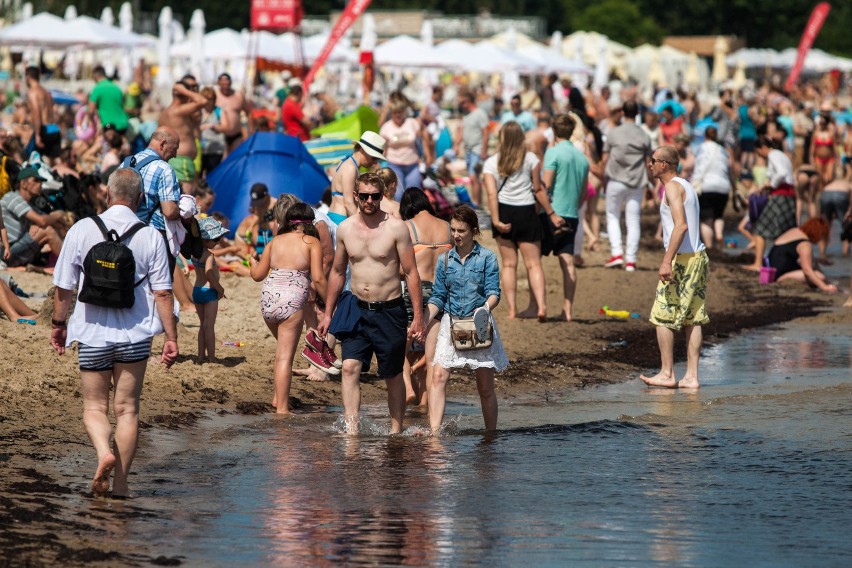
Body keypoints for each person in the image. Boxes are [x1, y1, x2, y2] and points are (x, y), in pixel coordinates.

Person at [50, 168, 178, 498]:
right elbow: (163, 293)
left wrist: (59, 325)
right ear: (141, 200)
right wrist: (171, 338)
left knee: (94, 408)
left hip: (92, 332)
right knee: (127, 410)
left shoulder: (82, 229)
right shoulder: (150, 235)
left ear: (106, 195)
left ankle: (102, 452)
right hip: (135, 334)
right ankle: (120, 487)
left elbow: (64, 287)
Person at [318, 172, 425, 434]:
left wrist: (418, 317)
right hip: (356, 307)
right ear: (355, 196)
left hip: (389, 310)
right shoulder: (345, 229)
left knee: (391, 375)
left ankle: (396, 431)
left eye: (374, 196)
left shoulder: (396, 227)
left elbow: (411, 273)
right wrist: (328, 314)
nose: (368, 201)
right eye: (364, 196)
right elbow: (337, 272)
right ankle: (352, 430)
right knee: (350, 368)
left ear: (381, 196)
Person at [426, 205, 507, 434]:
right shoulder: (444, 261)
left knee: (484, 387)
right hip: (451, 323)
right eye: (452, 230)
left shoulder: (488, 258)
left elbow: (494, 293)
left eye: (461, 231)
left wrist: (484, 309)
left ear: (474, 230)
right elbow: (438, 296)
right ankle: (435, 434)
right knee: (439, 376)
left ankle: (490, 435)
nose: (456, 235)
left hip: (478, 323)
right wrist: (424, 318)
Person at [640, 146, 709, 389]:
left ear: (664, 165)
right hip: (697, 257)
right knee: (693, 318)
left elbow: (680, 227)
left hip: (682, 260)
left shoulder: (671, 187)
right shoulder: (686, 184)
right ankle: (691, 376)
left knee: (662, 314)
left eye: (653, 161)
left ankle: (667, 372)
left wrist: (666, 260)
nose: (650, 165)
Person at [251, 203, 327, 413]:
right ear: (309, 223)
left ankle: (278, 397)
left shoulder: (274, 242)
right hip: (291, 300)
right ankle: (282, 410)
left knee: (282, 352)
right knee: (285, 356)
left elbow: (257, 275)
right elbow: (319, 279)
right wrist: (330, 301)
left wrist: (251, 263)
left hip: (268, 298)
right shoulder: (311, 242)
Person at [483, 121, 549, 320]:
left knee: (509, 265)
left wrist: (495, 221)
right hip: (527, 211)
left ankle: (512, 310)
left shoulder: (491, 162)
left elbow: (491, 194)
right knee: (534, 264)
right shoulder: (531, 158)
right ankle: (541, 307)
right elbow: (537, 188)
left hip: (504, 211)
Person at [399, 188, 452, 407]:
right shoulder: (446, 227)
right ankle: (426, 406)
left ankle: (409, 389)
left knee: (401, 345)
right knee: (430, 353)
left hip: (415, 290)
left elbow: (402, 268)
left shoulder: (407, 227)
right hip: (441, 293)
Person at [542, 114, 590, 321]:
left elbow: (545, 185)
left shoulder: (553, 153)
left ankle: (539, 306)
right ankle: (567, 309)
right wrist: (576, 207)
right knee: (568, 262)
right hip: (572, 213)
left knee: (535, 260)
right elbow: (584, 192)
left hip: (552, 212)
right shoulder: (582, 157)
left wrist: (549, 211)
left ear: (554, 131)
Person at [601, 100, 653, 271]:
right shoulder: (644, 135)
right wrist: (652, 184)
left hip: (615, 179)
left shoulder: (613, 133)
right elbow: (648, 163)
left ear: (622, 112)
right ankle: (631, 260)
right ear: (638, 113)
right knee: (633, 219)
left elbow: (604, 159)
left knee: (613, 216)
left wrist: (602, 180)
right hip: (637, 181)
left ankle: (617, 253)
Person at [127, 127, 181, 276]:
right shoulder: (164, 169)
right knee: (161, 289)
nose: (175, 155)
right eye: (174, 149)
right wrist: (182, 211)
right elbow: (169, 211)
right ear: (162, 144)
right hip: (153, 235)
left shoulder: (126, 163)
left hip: (126, 234)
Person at [744, 136, 798, 271]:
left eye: (758, 152)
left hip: (780, 195)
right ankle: (792, 263)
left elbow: (781, 173)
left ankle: (758, 264)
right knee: (787, 232)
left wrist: (769, 185)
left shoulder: (773, 155)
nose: (759, 156)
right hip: (788, 196)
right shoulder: (782, 155)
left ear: (763, 148)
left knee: (760, 228)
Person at [0, 166, 66, 267]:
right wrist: (58, 214)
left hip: (14, 251)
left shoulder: (29, 206)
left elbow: (51, 221)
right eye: (36, 180)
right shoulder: (12, 197)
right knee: (47, 230)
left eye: (40, 181)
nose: (40, 184)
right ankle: (71, 265)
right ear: (23, 183)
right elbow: (42, 221)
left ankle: (71, 260)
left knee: (54, 227)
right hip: (4, 253)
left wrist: (60, 223)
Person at [158, 77, 208, 192]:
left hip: (172, 159)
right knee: (185, 198)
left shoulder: (165, 113)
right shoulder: (179, 110)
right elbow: (203, 101)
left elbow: (197, 119)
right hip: (182, 162)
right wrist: (185, 91)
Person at [766, 217, 838, 293]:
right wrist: (824, 287)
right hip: (780, 276)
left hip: (772, 271)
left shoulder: (795, 231)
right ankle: (826, 283)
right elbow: (807, 271)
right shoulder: (805, 244)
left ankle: (828, 282)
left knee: (815, 269)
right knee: (820, 277)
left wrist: (818, 260)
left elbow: (787, 254)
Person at [327, 132, 385, 225]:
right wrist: (363, 225)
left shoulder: (348, 163)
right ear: (363, 150)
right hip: (341, 218)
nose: (375, 162)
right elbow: (348, 203)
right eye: (374, 157)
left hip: (337, 216)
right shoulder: (350, 168)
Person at [192, 217, 228, 363]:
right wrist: (219, 289)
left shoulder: (195, 253)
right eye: (216, 239)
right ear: (207, 240)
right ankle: (212, 357)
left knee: (202, 325)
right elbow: (208, 272)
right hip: (208, 291)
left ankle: (201, 356)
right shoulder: (208, 255)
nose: (218, 242)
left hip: (197, 290)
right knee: (209, 326)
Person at [693, 126, 734, 249]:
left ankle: (709, 246)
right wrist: (735, 188)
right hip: (723, 187)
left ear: (705, 136)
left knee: (706, 218)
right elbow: (729, 167)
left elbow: (696, 165)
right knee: (718, 215)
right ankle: (719, 235)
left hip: (706, 186)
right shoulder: (722, 150)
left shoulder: (701, 148)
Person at [380, 98, 425, 198]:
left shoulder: (412, 123)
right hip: (394, 164)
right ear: (391, 113)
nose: (398, 115)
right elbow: (383, 148)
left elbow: (422, 140)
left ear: (404, 112)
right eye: (395, 112)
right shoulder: (386, 127)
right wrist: (381, 164)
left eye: (400, 112)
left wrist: (424, 157)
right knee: (399, 194)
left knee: (414, 193)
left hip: (412, 165)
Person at [456, 92, 490, 206]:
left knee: (473, 175)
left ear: (467, 101)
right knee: (473, 178)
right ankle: (476, 202)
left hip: (477, 148)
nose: (460, 105)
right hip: (468, 150)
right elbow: (462, 131)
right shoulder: (465, 114)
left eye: (462, 102)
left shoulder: (480, 113)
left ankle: (476, 203)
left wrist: (484, 150)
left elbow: (486, 132)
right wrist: (456, 145)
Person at [24, 66, 60, 162]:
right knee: (53, 164)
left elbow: (36, 113)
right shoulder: (46, 93)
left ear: (28, 77)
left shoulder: (32, 92)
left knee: (29, 160)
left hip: (44, 130)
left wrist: (37, 135)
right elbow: (54, 111)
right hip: (54, 129)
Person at [215, 73, 252, 153]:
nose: (225, 86)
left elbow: (248, 112)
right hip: (220, 136)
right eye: (223, 84)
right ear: (219, 83)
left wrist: (250, 132)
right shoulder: (215, 95)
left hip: (236, 134)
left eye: (227, 83)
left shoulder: (238, 95)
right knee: (224, 160)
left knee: (235, 159)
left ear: (231, 83)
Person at [89, 66, 129, 135]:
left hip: (109, 126)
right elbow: (123, 106)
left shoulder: (97, 88)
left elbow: (91, 111)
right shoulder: (116, 88)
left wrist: (92, 123)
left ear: (96, 76)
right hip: (123, 124)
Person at [818, 177, 851, 257]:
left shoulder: (833, 183)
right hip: (841, 195)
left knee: (825, 225)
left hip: (826, 193)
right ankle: (845, 253)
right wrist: (849, 211)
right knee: (846, 225)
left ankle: (822, 252)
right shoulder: (849, 184)